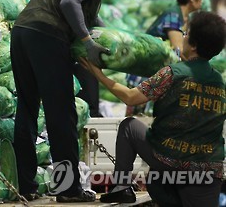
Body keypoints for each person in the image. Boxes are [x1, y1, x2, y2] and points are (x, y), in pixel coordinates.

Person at [10, 0, 132, 202]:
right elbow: (69, 2)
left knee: (26, 109)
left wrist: (104, 31)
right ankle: (68, 189)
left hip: (24, 30)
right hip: (48, 35)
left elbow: (68, 0)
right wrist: (87, 39)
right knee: (60, 113)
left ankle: (25, 185)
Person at [79, 11, 226, 205]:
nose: (184, 36)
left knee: (129, 126)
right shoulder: (219, 82)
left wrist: (98, 74)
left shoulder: (172, 73)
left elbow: (131, 98)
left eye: (187, 34)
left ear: (194, 45)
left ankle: (122, 187)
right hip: (209, 172)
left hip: (171, 163)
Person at [125, 0, 204, 115]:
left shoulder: (184, 18)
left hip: (156, 76)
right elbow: (179, 49)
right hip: (144, 75)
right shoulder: (173, 14)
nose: (202, 0)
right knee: (137, 119)